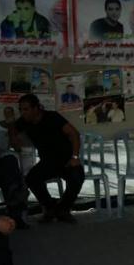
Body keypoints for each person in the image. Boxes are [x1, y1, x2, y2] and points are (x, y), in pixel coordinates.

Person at [10, 94, 84, 224]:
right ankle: (50, 207)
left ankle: (63, 208)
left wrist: (75, 157)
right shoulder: (24, 122)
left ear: (36, 108)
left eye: (26, 109)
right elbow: (13, 128)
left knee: (77, 176)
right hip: (48, 162)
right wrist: (14, 138)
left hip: (66, 159)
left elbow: (74, 134)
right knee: (31, 178)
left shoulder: (52, 117)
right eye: (21, 110)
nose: (23, 113)